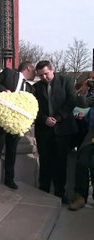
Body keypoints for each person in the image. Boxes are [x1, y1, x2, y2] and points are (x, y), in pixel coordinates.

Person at [0, 61, 36, 191]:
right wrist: (5, 91)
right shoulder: (9, 73)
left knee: (12, 150)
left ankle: (9, 179)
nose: (35, 73)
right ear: (29, 67)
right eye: (34, 70)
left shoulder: (30, 88)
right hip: (0, 119)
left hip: (17, 124)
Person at [33, 60, 77, 203]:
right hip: (44, 130)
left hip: (62, 129)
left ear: (52, 70)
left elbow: (71, 101)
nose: (44, 77)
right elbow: (33, 107)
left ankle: (60, 192)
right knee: (45, 161)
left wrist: (57, 118)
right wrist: (44, 118)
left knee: (60, 162)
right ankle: (43, 190)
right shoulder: (36, 87)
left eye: (46, 74)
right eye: (40, 76)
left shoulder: (66, 81)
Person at [69, 74, 94, 210]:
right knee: (82, 160)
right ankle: (80, 196)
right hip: (91, 133)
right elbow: (83, 103)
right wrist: (83, 89)